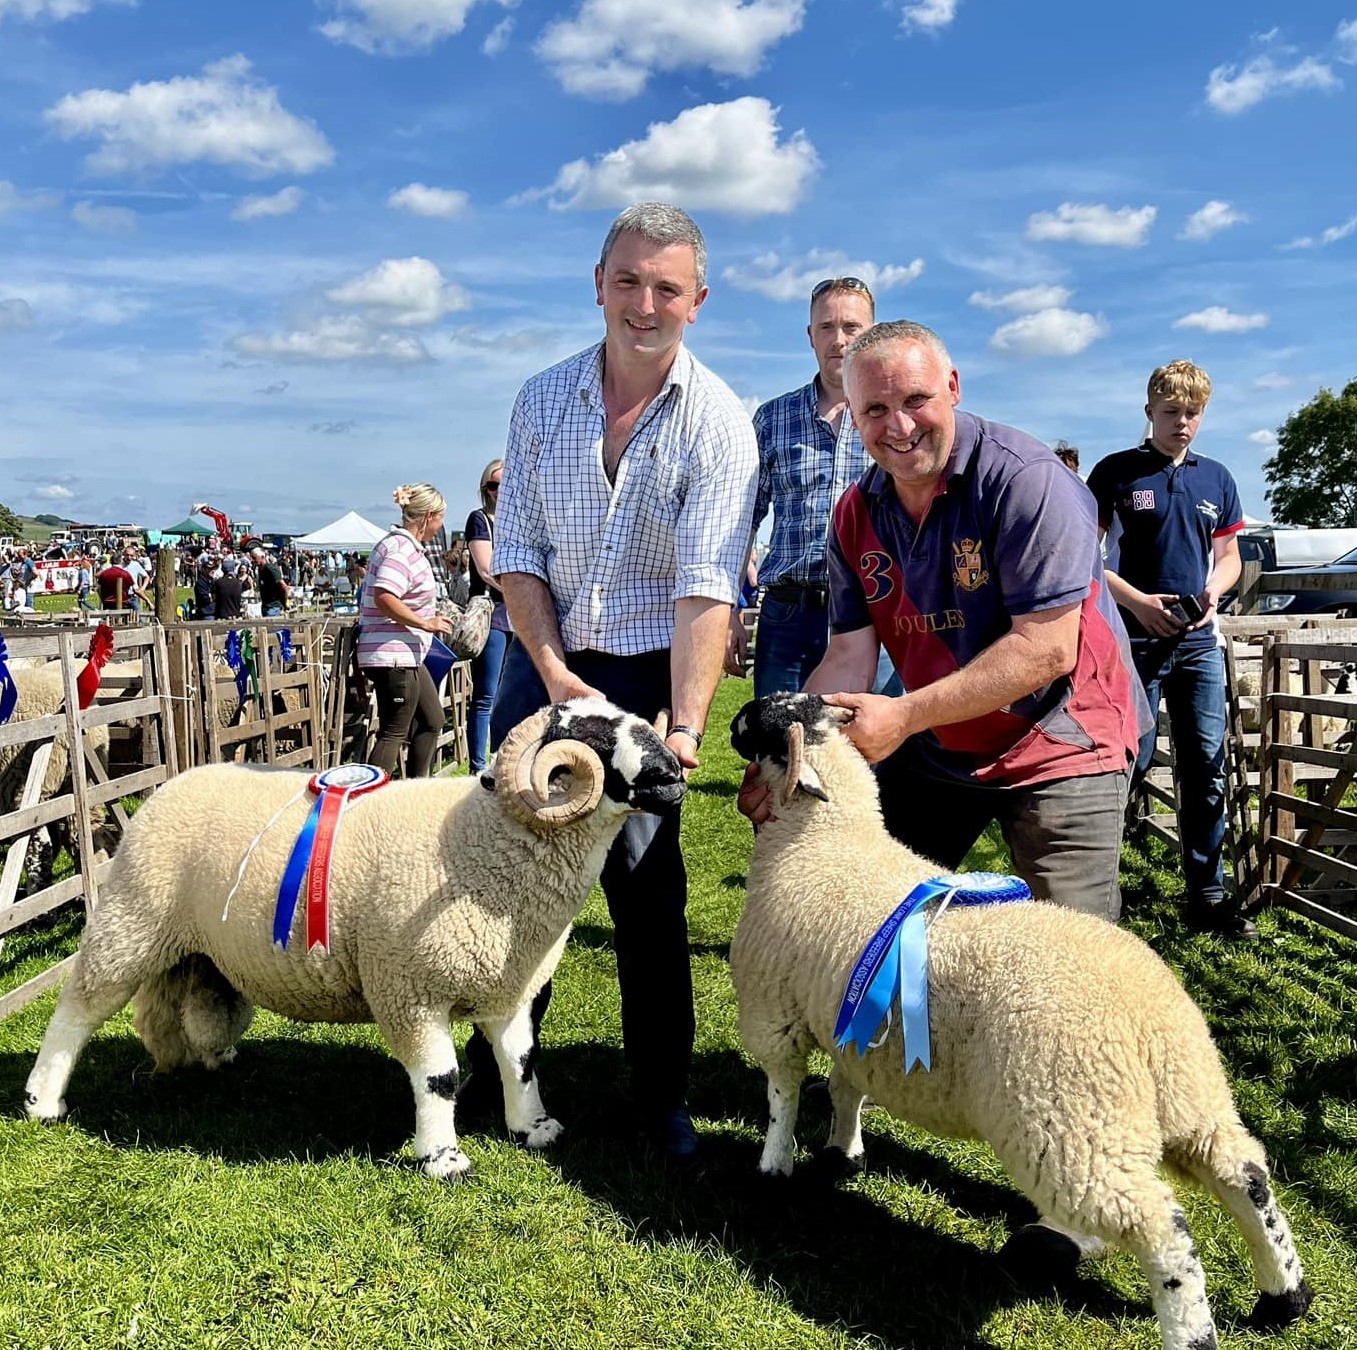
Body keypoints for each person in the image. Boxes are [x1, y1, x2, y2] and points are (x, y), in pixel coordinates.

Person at [478, 202, 759, 1159]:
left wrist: (683, 727)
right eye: (629, 281)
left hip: (647, 666)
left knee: (645, 881)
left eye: (666, 288)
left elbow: (704, 587)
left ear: (697, 301)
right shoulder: (541, 397)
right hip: (545, 656)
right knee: (510, 867)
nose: (645, 304)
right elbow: (516, 549)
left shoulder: (719, 422)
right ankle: (503, 1065)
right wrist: (553, 675)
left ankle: (660, 1094)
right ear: (598, 284)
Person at [742, 320, 1147, 923]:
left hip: (1062, 737)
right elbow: (851, 654)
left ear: (952, 386)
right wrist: (788, 752)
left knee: (1071, 953)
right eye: (875, 408)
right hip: (942, 738)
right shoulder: (857, 514)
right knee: (871, 909)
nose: (899, 427)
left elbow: (1046, 651)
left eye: (916, 400)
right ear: (851, 415)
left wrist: (902, 714)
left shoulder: (1026, 481)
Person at [1086, 360, 1251, 939]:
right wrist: (1137, 603)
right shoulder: (1115, 474)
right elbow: (1087, 558)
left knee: (1205, 764)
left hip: (1199, 642)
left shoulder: (1218, 480)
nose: (1182, 423)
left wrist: (1213, 591)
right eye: (1172, 412)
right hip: (1131, 643)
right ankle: (1101, 891)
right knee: (1127, 759)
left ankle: (1208, 894)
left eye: (1193, 413)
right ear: (1149, 410)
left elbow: (1230, 556)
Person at [727, 277, 901, 698]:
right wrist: (732, 608)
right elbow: (740, 520)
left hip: (876, 612)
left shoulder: (896, 421)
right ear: (810, 335)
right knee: (780, 750)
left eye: (851, 327)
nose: (838, 340)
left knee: (871, 752)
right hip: (790, 616)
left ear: (872, 334)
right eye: (826, 327)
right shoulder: (774, 419)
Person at [357, 483, 455, 778]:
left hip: (404, 653)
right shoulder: (401, 549)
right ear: (428, 516)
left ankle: (415, 787)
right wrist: (425, 623)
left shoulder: (400, 546)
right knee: (394, 729)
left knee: (432, 719)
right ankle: (367, 796)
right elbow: (385, 595)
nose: (440, 526)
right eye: (439, 519)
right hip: (393, 653)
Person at [463, 459, 511, 774]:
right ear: (486, 490)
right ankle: (478, 766)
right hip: (493, 613)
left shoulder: (520, 519)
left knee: (511, 692)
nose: (499, 490)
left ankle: (503, 760)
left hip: (519, 615)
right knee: (487, 693)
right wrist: (521, 590)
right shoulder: (480, 520)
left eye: (505, 483)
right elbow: (485, 569)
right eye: (493, 485)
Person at [251, 546, 289, 616]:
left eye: (254, 558)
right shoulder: (260, 569)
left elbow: (284, 587)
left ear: (262, 557)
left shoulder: (270, 569)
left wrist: (285, 603)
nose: (253, 560)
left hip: (273, 607)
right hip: (265, 606)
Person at [212, 555, 244, 620]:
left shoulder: (218, 582)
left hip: (222, 616)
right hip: (235, 615)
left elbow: (214, 598)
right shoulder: (238, 583)